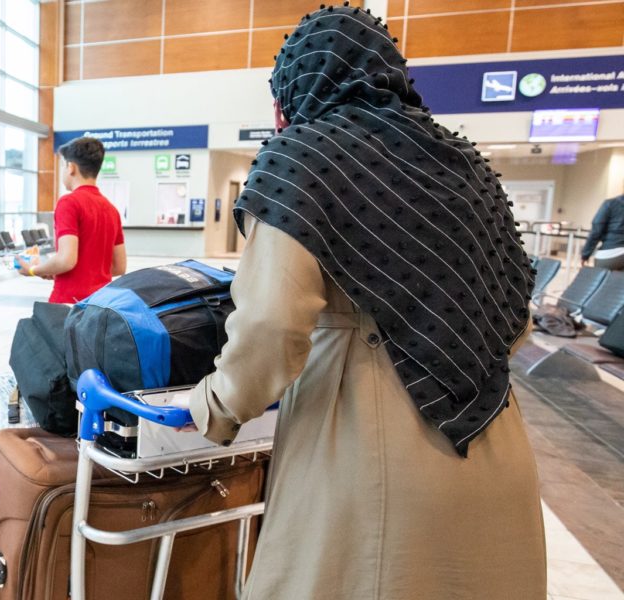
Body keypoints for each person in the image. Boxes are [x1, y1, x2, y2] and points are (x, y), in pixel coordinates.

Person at [175, 6, 544, 598]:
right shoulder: (466, 166)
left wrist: (214, 407)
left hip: (368, 461)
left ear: (291, 94)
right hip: (499, 452)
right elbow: (517, 317)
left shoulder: (303, 157)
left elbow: (271, 322)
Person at [16, 137, 125, 303]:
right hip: (100, 303)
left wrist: (33, 269)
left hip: (69, 303)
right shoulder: (111, 209)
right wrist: (56, 270)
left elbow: (66, 260)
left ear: (71, 167)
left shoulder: (69, 203)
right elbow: (119, 266)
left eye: (63, 165)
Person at [581, 194, 624, 269]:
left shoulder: (610, 203)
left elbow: (596, 231)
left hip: (610, 253)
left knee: (601, 277)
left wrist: (585, 254)